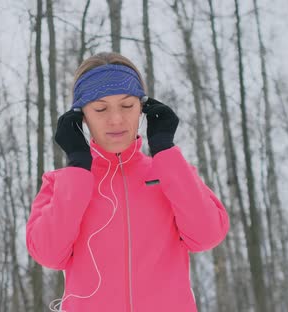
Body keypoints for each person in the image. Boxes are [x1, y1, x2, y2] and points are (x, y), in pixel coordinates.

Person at [25, 52, 229, 311]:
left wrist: (165, 151)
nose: (116, 119)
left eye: (127, 105)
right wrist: (78, 167)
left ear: (142, 107)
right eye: (100, 109)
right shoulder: (62, 184)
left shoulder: (170, 172)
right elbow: (48, 254)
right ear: (81, 116)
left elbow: (207, 235)